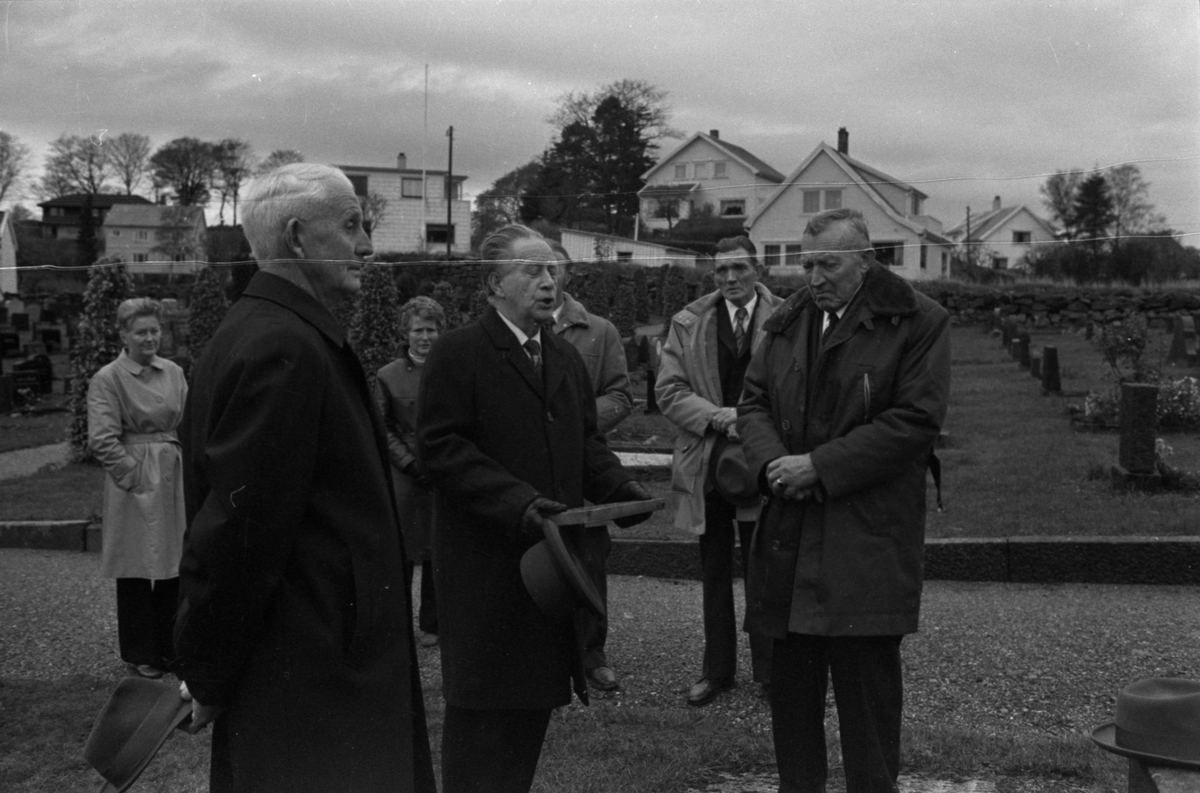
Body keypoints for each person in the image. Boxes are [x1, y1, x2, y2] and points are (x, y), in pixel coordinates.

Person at [173, 163, 435, 793]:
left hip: (321, 665)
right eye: (351, 227)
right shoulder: (281, 346)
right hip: (315, 675)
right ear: (295, 239)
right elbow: (236, 533)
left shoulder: (281, 331)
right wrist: (207, 673)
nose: (368, 246)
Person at [417, 224, 652, 793]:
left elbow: (586, 444)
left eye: (553, 271)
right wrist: (522, 504)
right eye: (533, 271)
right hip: (485, 573)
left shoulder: (565, 358)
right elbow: (442, 449)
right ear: (494, 283)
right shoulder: (458, 353)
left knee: (529, 716)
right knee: (481, 724)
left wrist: (622, 491)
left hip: (550, 574)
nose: (550, 282)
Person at [738, 208, 951, 793]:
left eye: (828, 263)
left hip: (865, 539)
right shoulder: (787, 322)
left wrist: (819, 467)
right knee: (792, 703)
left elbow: (915, 421)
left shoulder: (917, 321)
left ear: (865, 260)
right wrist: (771, 465)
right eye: (805, 263)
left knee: (868, 708)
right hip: (790, 532)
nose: (813, 276)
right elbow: (753, 401)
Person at [656, 235, 782, 706]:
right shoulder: (688, 322)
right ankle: (717, 672)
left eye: (739, 269)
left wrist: (747, 419)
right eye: (721, 271)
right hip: (707, 462)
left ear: (757, 270)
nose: (730, 279)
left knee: (762, 568)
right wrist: (716, 416)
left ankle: (770, 672)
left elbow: (796, 384)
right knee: (713, 571)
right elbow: (668, 390)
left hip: (762, 459)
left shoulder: (788, 317)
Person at [547, 240, 632, 692]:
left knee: (590, 555)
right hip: (528, 468)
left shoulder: (598, 331)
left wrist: (570, 427)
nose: (546, 277)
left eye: (554, 268)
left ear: (568, 275)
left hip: (582, 467)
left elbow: (620, 395)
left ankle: (593, 652)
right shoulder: (518, 328)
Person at [87, 297, 188, 680]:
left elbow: (187, 419)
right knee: (136, 565)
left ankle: (170, 647)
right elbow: (102, 439)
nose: (150, 338)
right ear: (124, 335)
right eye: (141, 332)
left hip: (171, 471)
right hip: (135, 477)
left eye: (154, 331)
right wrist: (133, 475)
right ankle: (140, 652)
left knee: (172, 563)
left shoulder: (174, 372)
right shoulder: (108, 378)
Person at [375, 295, 445, 649]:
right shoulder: (387, 376)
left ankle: (433, 623)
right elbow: (382, 427)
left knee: (438, 550)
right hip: (404, 475)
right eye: (418, 329)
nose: (425, 337)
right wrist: (408, 462)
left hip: (443, 473)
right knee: (400, 552)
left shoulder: (452, 370)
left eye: (431, 329)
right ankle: (397, 622)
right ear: (405, 333)